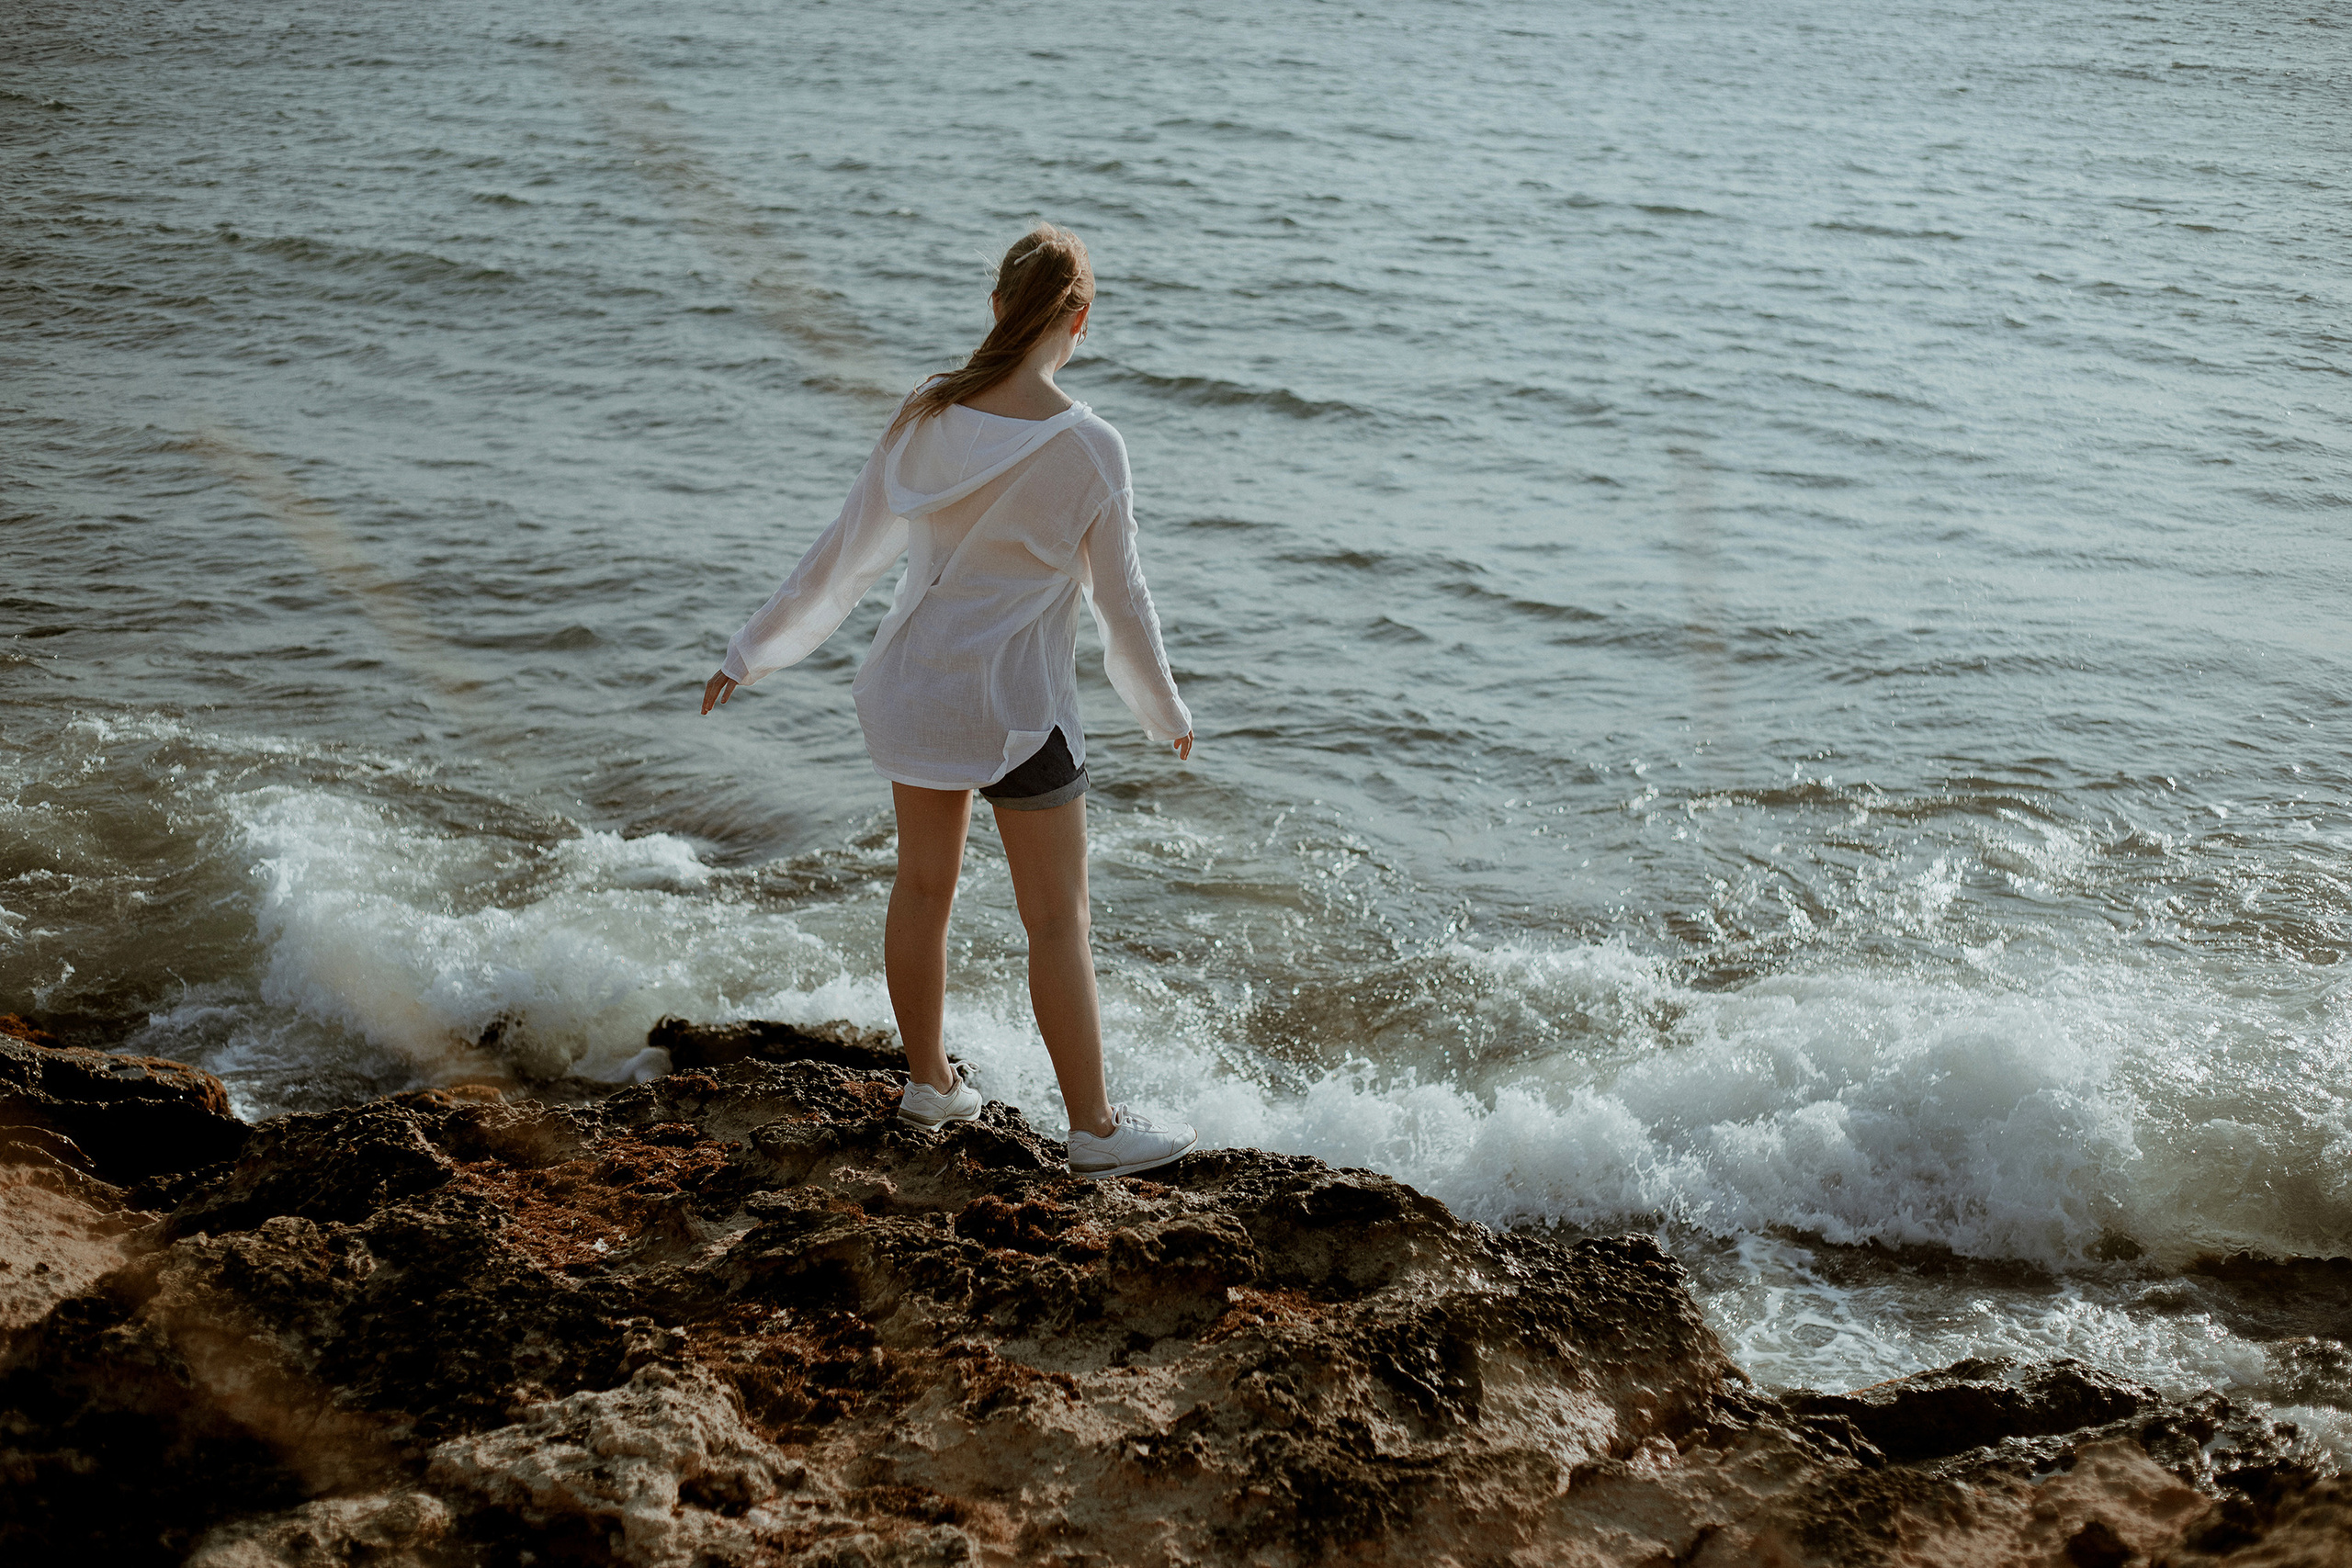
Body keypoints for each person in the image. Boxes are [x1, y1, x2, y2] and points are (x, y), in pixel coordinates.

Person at [700, 224, 1197, 1180]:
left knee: (920, 890)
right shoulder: (1090, 446)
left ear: (998, 308)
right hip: (1015, 708)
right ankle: (1092, 1129)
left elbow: (845, 553)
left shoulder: (929, 414)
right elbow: (1120, 604)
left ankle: (928, 1080)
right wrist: (1164, 712)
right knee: (1056, 920)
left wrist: (751, 649)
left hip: (914, 690)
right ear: (1079, 321)